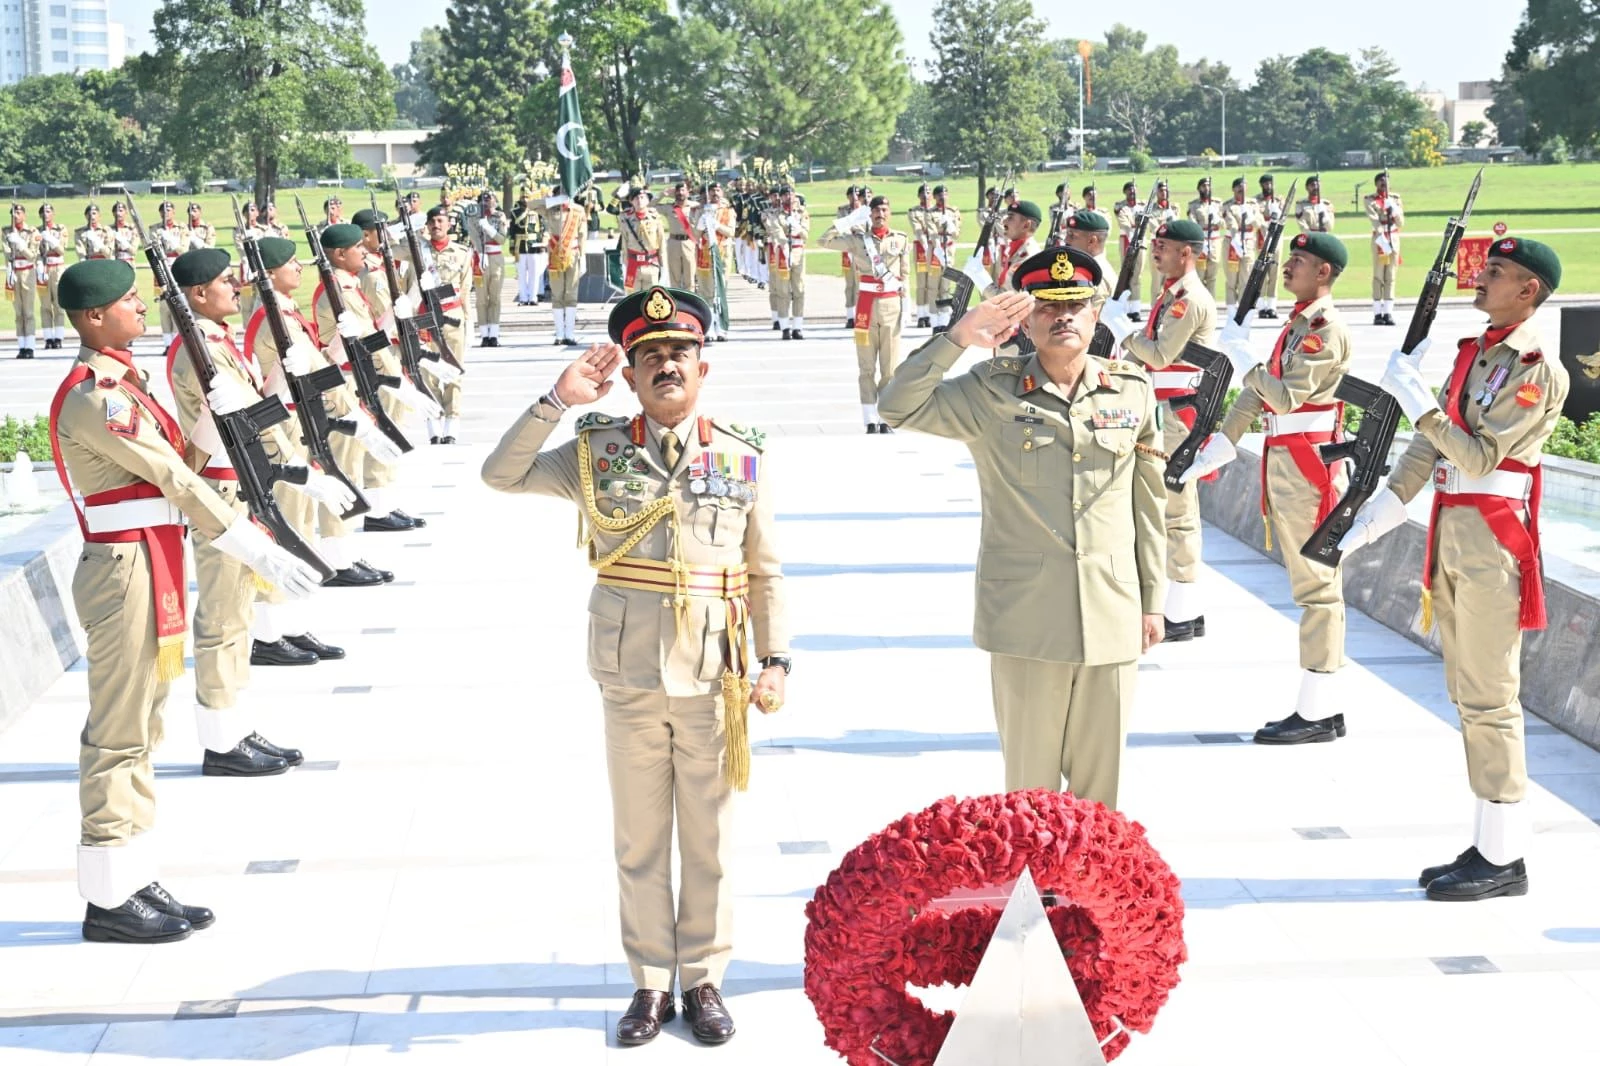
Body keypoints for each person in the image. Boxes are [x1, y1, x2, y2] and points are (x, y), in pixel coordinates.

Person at [481, 284, 789, 1047]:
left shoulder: (741, 453)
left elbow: (765, 570)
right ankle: (651, 984)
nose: (666, 368)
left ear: (702, 367)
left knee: (710, 837)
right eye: (650, 358)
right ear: (629, 376)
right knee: (641, 837)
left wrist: (776, 657)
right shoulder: (595, 452)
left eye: (679, 354)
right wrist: (556, 399)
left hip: (716, 672)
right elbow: (501, 473)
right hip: (629, 672)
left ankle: (706, 979)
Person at [50, 259, 322, 943]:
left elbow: (180, 461)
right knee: (119, 730)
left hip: (151, 557)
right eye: (127, 303)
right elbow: (169, 477)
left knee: (145, 722)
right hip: (123, 569)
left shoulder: (128, 386)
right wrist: (252, 546)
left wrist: (213, 424)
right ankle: (110, 899)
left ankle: (132, 873)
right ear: (92, 318)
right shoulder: (97, 396)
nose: (141, 309)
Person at [878, 248, 1165, 808]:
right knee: (1030, 790)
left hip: (1111, 613)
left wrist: (1152, 599)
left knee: (1100, 791)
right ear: (1025, 320)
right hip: (1028, 619)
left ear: (1097, 311)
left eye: (1077, 304)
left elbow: (1149, 505)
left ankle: (1091, 892)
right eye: (1048, 307)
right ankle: (1035, 892)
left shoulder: (1132, 390)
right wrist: (958, 337)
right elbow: (896, 406)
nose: (1064, 317)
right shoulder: (990, 391)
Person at [1340, 238, 1567, 902]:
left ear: (1528, 290)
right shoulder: (1474, 354)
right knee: (1469, 696)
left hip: (1493, 546)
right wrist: (1379, 511)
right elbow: (1425, 448)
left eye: (1496, 272)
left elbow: (1471, 455)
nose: (1481, 276)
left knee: (1492, 699)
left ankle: (1504, 860)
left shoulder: (1534, 368)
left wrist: (1422, 404)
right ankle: (1489, 841)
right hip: (1453, 536)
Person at [163, 247, 334, 770]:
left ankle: (236, 725)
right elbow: (240, 420)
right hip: (219, 495)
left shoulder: (214, 342)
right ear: (197, 295)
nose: (235, 287)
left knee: (236, 617)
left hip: (238, 489)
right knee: (220, 621)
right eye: (223, 282)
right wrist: (294, 467)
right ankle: (221, 741)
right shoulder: (198, 349)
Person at [1186, 232, 1354, 743]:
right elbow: (1256, 397)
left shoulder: (1323, 331)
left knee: (1319, 592)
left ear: (1323, 272)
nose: (1287, 268)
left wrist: (1245, 360)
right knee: (1309, 589)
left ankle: (1320, 710)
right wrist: (1222, 441)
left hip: (1308, 471)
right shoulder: (1300, 323)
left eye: (1298, 262)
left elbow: (1280, 397)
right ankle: (1316, 705)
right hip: (1288, 467)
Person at [243, 234, 400, 591]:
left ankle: (335, 557)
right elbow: (313, 374)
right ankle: (323, 567)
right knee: (300, 506)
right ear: (269, 273)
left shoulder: (285, 315)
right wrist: (355, 417)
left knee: (320, 496)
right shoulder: (274, 321)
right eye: (290, 262)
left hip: (302, 417)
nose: (299, 267)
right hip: (290, 422)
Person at [1101, 220, 1218, 640]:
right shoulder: (1172, 295)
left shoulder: (1188, 301)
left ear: (1185, 253)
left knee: (1177, 510)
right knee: (1169, 507)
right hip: (1166, 410)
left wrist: (1125, 334)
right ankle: (1183, 606)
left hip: (1178, 414)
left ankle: (1183, 614)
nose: (1155, 252)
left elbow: (1164, 355)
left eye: (1163, 246)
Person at [313, 222, 434, 530]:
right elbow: (368, 342)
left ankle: (375, 512)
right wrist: (401, 383)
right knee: (347, 463)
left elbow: (370, 334)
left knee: (359, 455)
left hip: (356, 376)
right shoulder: (341, 290)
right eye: (358, 248)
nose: (365, 253)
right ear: (340, 254)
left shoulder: (349, 286)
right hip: (349, 378)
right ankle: (350, 537)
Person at [820, 195, 910, 433]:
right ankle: (870, 419)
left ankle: (885, 418)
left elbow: (905, 275)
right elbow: (823, 241)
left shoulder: (900, 239)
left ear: (889, 213)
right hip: (866, 308)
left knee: (890, 368)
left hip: (891, 306)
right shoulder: (858, 240)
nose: (880, 214)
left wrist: (907, 307)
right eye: (876, 210)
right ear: (869, 214)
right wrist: (847, 221)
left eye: (884, 209)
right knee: (866, 368)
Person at [425, 205, 473, 442]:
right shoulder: (418, 252)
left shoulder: (462, 253)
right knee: (428, 375)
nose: (437, 225)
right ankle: (434, 428)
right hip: (426, 320)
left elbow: (464, 291)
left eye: (441, 221)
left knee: (454, 372)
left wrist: (468, 321)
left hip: (453, 319)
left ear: (449, 224)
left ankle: (451, 428)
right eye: (432, 221)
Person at [541, 192, 588, 346]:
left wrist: (583, 256)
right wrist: (553, 200)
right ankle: (559, 334)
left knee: (571, 294)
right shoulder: (550, 209)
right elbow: (531, 205)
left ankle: (570, 334)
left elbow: (582, 235)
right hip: (555, 256)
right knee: (557, 295)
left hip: (573, 255)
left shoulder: (578, 210)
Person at [693, 182, 735, 343]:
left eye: (718, 190)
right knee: (706, 293)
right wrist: (701, 223)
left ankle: (722, 327)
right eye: (712, 191)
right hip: (704, 254)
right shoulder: (701, 211)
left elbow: (731, 232)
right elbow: (695, 236)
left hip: (722, 255)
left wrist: (717, 225)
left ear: (722, 192)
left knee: (720, 292)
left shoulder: (727, 211)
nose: (715, 193)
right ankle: (709, 327)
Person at [768, 183, 809, 339]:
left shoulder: (801, 212)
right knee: (783, 290)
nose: (788, 197)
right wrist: (785, 242)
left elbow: (805, 233)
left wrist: (796, 225)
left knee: (799, 289)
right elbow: (776, 231)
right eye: (785, 195)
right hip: (783, 252)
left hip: (798, 250)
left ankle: (797, 326)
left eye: (791, 194)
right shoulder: (776, 214)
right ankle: (785, 326)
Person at [1364, 171, 1404, 325]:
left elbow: (1400, 222)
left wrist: (1393, 208)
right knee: (1378, 276)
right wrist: (1383, 239)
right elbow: (1374, 219)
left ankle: (1388, 312)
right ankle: (1377, 313)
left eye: (1386, 181)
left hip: (1393, 238)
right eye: (1381, 181)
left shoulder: (1395, 199)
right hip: (1380, 240)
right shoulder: (1370, 200)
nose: (1384, 184)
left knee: (1391, 276)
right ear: (1376, 184)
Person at [1221, 177, 1262, 320]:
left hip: (1248, 242)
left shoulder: (1252, 204)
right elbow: (1230, 223)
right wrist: (1235, 238)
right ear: (1233, 189)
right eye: (1238, 187)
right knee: (1232, 279)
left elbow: (1259, 221)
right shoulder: (1227, 205)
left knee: (1246, 278)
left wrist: (1250, 217)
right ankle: (1231, 310)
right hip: (1232, 243)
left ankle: (1243, 310)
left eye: (1244, 186)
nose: (1241, 189)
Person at [984, 200, 1042, 297]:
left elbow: (1006, 301)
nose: (1004, 221)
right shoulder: (1017, 249)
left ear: (1026, 225)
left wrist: (981, 279)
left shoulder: (1027, 258)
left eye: (1010, 217)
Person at [472, 191, 508, 346]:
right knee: (481, 299)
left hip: (496, 258)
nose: (487, 202)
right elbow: (473, 237)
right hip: (481, 258)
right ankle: (484, 335)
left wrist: (488, 228)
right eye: (484, 200)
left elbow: (501, 239)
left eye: (489, 199)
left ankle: (494, 334)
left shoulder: (499, 217)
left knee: (495, 298)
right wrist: (480, 253)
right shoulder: (474, 217)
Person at [151, 202, 186, 349]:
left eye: (169, 210)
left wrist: (172, 241)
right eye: (163, 211)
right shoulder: (155, 229)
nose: (166, 213)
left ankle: (178, 340)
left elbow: (184, 249)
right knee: (165, 307)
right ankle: (167, 343)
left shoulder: (182, 228)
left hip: (177, 265)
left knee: (178, 304)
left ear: (174, 212)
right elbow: (152, 248)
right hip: (163, 266)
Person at [619, 186, 665, 296]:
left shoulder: (655, 217)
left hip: (651, 264)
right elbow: (624, 243)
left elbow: (661, 241)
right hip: (633, 265)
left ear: (648, 200)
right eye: (636, 198)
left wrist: (662, 264)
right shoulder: (625, 218)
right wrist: (625, 263)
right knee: (632, 298)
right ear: (631, 201)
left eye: (642, 197)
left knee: (652, 299)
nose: (639, 201)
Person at [7, 202, 39, 359]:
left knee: (28, 312)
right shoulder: (6, 231)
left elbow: (32, 255)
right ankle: (21, 346)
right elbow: (6, 253)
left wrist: (19, 243)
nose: (15, 216)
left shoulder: (32, 232)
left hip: (27, 272)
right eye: (13, 213)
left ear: (24, 215)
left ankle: (30, 346)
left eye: (18, 213)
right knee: (18, 312)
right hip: (14, 271)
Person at [1062, 210, 1115, 303]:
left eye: (1072, 235)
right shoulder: (1089, 270)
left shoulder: (1098, 278)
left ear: (1091, 241)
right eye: (1067, 234)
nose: (1066, 239)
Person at [928, 184, 962, 331]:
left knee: (946, 287)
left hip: (948, 250)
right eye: (939, 195)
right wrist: (938, 248)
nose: (943, 197)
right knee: (934, 287)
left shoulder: (953, 212)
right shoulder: (930, 213)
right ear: (934, 197)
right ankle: (935, 322)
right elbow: (932, 231)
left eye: (945, 194)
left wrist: (950, 224)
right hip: (936, 251)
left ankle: (945, 320)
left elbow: (956, 234)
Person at [1144, 181, 1179, 316]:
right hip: (1157, 247)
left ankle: (1167, 309)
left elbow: (1176, 225)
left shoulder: (1174, 208)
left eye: (1165, 190)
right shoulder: (1151, 209)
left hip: (1170, 248)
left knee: (1169, 280)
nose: (1164, 193)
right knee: (1157, 281)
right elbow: (1156, 228)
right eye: (1161, 190)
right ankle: (1155, 309)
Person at [1253, 174, 1286, 318]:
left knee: (1274, 271)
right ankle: (1261, 306)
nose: (1268, 186)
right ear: (1261, 185)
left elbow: (1284, 215)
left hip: (1276, 237)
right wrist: (1266, 225)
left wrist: (1277, 213)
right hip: (1263, 235)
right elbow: (1256, 217)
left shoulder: (1279, 199)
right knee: (1262, 272)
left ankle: (1272, 306)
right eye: (1265, 184)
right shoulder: (1255, 201)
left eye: (1270, 184)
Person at [36, 203, 69, 349]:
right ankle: (48, 337)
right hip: (44, 267)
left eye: (48, 211)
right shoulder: (36, 231)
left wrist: (51, 239)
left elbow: (62, 250)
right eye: (43, 212)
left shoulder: (60, 229)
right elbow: (35, 251)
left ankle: (59, 337)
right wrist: (38, 265)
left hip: (57, 267)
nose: (46, 214)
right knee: (45, 305)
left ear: (53, 214)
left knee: (58, 303)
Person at [1114, 182, 1147, 320]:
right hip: (1127, 243)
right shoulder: (1121, 207)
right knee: (1126, 276)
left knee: (1137, 277)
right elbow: (1124, 225)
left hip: (1140, 243)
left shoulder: (1143, 206)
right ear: (1125, 192)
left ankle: (1135, 309)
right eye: (1129, 190)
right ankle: (1126, 308)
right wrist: (1137, 223)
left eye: (1134, 189)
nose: (1132, 192)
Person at [510, 188, 548, 306]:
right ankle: (523, 297)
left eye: (527, 197)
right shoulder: (515, 212)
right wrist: (512, 246)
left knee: (534, 273)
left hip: (534, 245)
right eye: (523, 197)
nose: (525, 200)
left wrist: (543, 243)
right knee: (521, 274)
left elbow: (543, 228)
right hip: (520, 245)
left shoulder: (537, 211)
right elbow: (512, 231)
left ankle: (533, 297)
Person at [1188, 177, 1223, 299]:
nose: (1206, 188)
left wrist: (1217, 220)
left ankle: (1211, 302)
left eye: (1208, 186)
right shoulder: (1194, 205)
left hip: (1214, 241)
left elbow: (1224, 224)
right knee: (1199, 275)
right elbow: (1192, 223)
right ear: (1199, 188)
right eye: (1203, 186)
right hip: (1201, 241)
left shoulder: (1217, 204)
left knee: (1212, 276)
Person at [233, 200, 266, 322]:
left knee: (260, 296)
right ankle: (248, 327)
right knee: (247, 300)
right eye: (247, 210)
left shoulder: (263, 229)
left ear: (257, 213)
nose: (250, 213)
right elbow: (240, 248)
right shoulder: (238, 230)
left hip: (260, 266)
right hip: (246, 267)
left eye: (252, 210)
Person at [663, 180, 697, 290]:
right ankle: (676, 303)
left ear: (688, 192)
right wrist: (663, 194)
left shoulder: (694, 206)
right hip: (673, 243)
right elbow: (650, 205)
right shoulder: (669, 207)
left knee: (690, 277)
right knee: (674, 277)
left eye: (683, 190)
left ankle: (690, 303)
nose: (680, 193)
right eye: (677, 190)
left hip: (689, 242)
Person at [909, 183, 934, 327]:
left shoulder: (937, 211)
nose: (926, 194)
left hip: (934, 247)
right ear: (919, 195)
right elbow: (918, 229)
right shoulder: (914, 211)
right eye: (923, 192)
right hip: (921, 248)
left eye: (929, 192)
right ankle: (921, 314)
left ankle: (931, 314)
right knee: (921, 283)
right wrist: (925, 244)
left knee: (932, 283)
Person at [837, 185, 863, 327]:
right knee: (850, 284)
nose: (854, 198)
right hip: (848, 248)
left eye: (857, 195)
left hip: (861, 249)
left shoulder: (865, 210)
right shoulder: (843, 211)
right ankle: (850, 316)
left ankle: (860, 314)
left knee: (861, 283)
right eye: (852, 195)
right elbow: (842, 227)